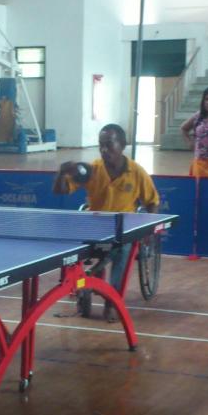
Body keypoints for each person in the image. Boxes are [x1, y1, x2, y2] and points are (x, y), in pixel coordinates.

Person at [54, 124, 161, 323]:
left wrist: (148, 231)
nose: (104, 150)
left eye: (109, 145)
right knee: (73, 249)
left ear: (122, 145)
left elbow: (152, 202)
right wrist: (61, 173)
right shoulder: (92, 170)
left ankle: (111, 302)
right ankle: (83, 284)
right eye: (101, 146)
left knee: (121, 253)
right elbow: (61, 190)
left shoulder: (136, 172)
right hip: (95, 228)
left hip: (124, 231)